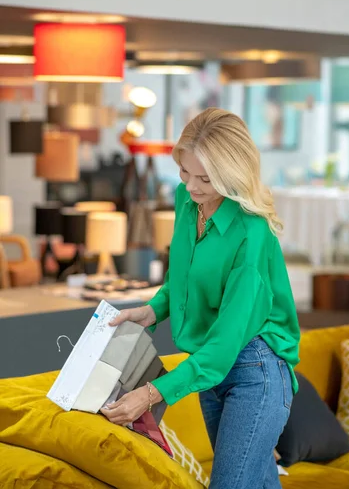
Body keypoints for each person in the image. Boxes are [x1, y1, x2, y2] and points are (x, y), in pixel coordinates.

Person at [101, 108, 300, 489]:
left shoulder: (251, 233)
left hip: (254, 369)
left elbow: (227, 343)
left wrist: (152, 394)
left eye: (206, 179)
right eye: (185, 172)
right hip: (208, 368)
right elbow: (184, 276)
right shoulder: (186, 201)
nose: (191, 186)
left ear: (233, 174)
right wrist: (152, 310)